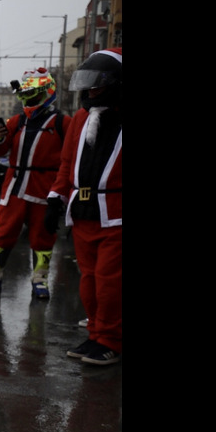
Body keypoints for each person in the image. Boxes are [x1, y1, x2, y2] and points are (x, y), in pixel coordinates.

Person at [45, 47, 122, 366]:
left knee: (110, 281)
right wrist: (55, 199)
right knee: (89, 280)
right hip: (83, 212)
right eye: (88, 85)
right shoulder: (81, 118)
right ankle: (96, 334)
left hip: (116, 213)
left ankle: (111, 341)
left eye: (98, 84)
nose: (91, 91)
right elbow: (67, 164)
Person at [0, 67, 71, 299]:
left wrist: (61, 193)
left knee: (43, 236)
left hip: (45, 188)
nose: (28, 100)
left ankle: (40, 280)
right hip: (15, 186)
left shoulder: (62, 123)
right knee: (3, 232)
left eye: (33, 95)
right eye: (25, 95)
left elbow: (71, 158)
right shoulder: (17, 121)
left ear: (46, 92)